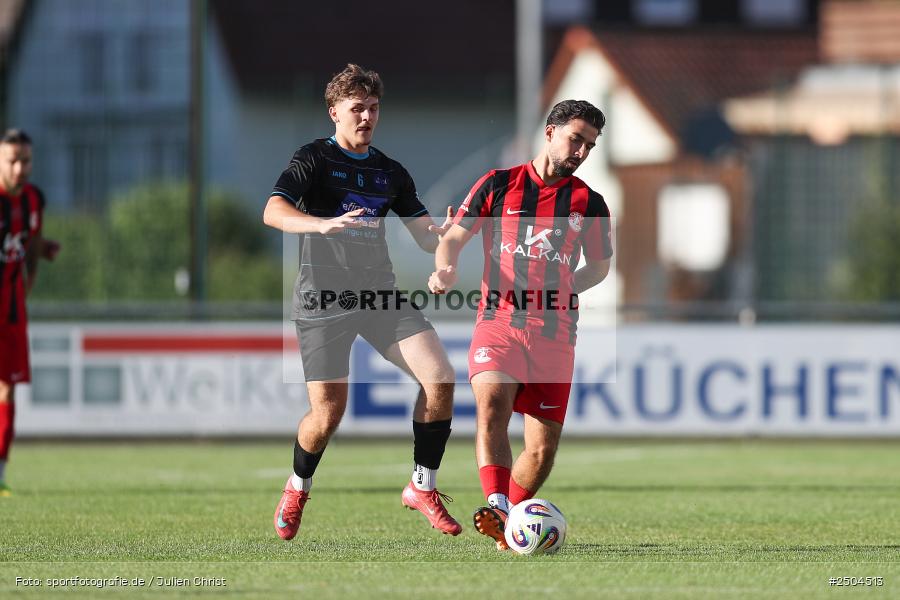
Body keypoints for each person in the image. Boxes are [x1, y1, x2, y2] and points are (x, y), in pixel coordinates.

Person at [263, 64, 461, 539]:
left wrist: (443, 239)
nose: (367, 116)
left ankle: (422, 487)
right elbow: (273, 210)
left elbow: (421, 235)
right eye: (357, 108)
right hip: (322, 299)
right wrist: (322, 224)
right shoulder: (312, 158)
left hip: (379, 295)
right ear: (334, 112)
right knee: (328, 413)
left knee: (441, 378)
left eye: (373, 108)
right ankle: (297, 486)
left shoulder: (389, 171)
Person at [428, 100, 613, 549]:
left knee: (541, 451)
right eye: (576, 139)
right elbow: (453, 236)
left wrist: (566, 287)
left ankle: (508, 525)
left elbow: (601, 267)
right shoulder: (498, 184)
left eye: (590, 145)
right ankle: (497, 506)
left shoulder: (590, 202)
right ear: (549, 132)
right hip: (500, 322)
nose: (582, 152)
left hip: (555, 335)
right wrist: (445, 269)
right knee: (491, 403)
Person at [0, 129, 59, 498]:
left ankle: (0, 474)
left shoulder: (34, 199)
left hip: (11, 309)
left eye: (26, 160)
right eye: (13, 160)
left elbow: (31, 241)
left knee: (7, 391)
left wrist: (41, 253)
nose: (21, 167)